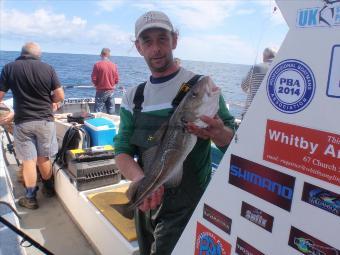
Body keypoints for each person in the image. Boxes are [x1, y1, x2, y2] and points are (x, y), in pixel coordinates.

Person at [114, 11, 235, 255]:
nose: (156, 48)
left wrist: (218, 132)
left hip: (187, 206)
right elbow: (122, 150)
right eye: (147, 41)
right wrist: (140, 182)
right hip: (147, 199)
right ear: (139, 47)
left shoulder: (200, 86)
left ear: (175, 40)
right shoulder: (133, 96)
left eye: (162, 38)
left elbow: (232, 144)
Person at [0, 42, 64, 209]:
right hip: (45, 121)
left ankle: (30, 198)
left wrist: (8, 113)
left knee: (29, 160)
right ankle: (49, 188)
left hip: (23, 122)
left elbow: (0, 96)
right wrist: (49, 101)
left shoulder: (9, 68)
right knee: (44, 157)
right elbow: (59, 95)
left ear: (22, 53)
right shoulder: (48, 68)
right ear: (38, 55)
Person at [241, 47, 277, 117]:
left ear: (264, 56)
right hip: (269, 114)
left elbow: (244, 86)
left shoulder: (256, 67)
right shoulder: (280, 70)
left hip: (251, 112)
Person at [91, 48, 119, 113]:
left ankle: (97, 122)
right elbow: (117, 79)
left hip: (100, 91)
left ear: (101, 55)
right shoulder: (114, 65)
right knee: (111, 111)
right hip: (111, 91)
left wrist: (95, 85)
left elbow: (94, 78)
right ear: (109, 55)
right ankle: (110, 122)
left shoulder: (97, 65)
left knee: (98, 111)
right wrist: (113, 85)